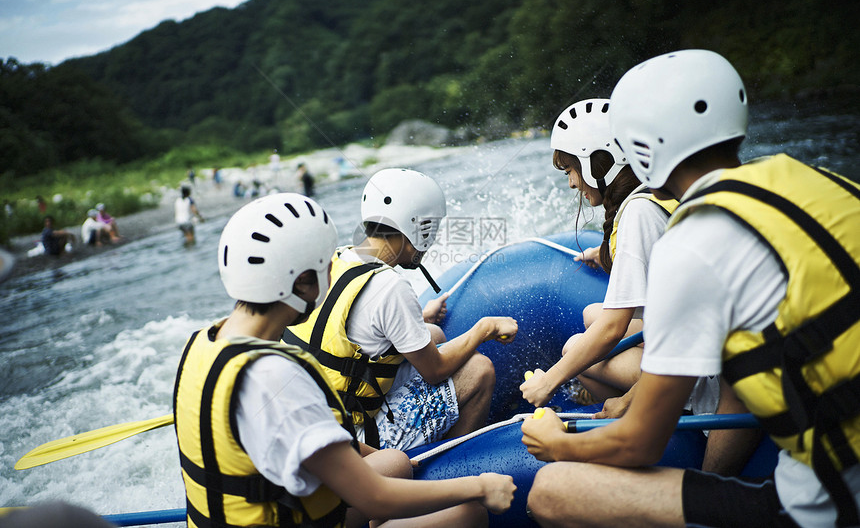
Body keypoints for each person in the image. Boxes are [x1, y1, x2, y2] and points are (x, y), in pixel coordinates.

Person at [521, 49, 860, 527]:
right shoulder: (818, 180)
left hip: (831, 499)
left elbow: (640, 442)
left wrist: (556, 443)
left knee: (552, 490)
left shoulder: (691, 242)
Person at [173, 192, 516, 528]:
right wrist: (482, 486)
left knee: (394, 461)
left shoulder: (201, 345)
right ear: (304, 282)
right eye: (325, 268)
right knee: (469, 514)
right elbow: (374, 497)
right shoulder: (276, 375)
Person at [283, 168, 518, 451]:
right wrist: (485, 329)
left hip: (318, 419)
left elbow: (349, 328)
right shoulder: (390, 286)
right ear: (418, 228)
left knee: (432, 333)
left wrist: (418, 319)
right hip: (357, 438)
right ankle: (454, 465)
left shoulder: (341, 257)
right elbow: (435, 371)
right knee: (480, 370)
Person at [520, 98, 690, 416]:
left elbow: (613, 327)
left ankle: (629, 414)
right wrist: (605, 254)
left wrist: (550, 380)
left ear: (599, 162)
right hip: (687, 337)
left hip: (691, 370)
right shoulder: (657, 194)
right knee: (590, 314)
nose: (571, 183)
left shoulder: (637, 214)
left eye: (571, 170)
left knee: (575, 348)